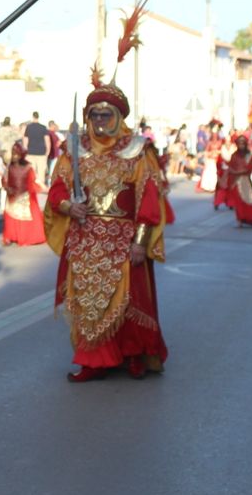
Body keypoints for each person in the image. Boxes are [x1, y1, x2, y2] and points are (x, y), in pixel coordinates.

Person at [45, 66, 169, 382]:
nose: (100, 121)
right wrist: (68, 206)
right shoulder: (75, 150)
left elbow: (149, 198)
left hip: (123, 238)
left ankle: (133, 355)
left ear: (118, 116)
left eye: (106, 115)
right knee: (87, 302)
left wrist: (141, 240)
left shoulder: (138, 150)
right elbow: (58, 187)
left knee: (129, 299)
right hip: (85, 239)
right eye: (94, 115)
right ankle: (95, 360)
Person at [1, 142, 46, 246]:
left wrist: (43, 188)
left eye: (16, 154)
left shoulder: (28, 167)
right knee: (11, 216)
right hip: (12, 195)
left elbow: (34, 180)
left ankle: (26, 237)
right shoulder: (9, 167)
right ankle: (10, 236)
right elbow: (4, 179)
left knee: (24, 216)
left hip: (25, 196)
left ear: (21, 155)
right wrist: (7, 187)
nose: (14, 157)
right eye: (13, 154)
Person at [223, 135, 252, 228]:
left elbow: (249, 169)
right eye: (239, 144)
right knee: (238, 202)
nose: (241, 146)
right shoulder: (234, 155)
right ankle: (240, 219)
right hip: (235, 182)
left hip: (245, 181)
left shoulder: (250, 156)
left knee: (249, 200)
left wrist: (238, 172)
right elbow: (231, 167)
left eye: (242, 144)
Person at [22, 112, 49, 180]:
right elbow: (47, 141)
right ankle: (40, 187)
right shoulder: (43, 127)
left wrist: (25, 151)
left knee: (31, 172)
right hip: (41, 152)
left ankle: (32, 188)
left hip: (30, 152)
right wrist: (47, 152)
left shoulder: (28, 127)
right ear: (38, 117)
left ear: (32, 117)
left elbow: (25, 141)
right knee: (41, 173)